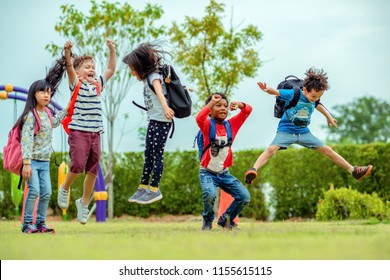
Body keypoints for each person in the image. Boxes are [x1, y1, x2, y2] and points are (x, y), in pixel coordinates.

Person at [245, 67, 373, 185]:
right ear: (305, 89)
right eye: (313, 96)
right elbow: (277, 92)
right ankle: (253, 169)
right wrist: (268, 90)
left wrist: (329, 117)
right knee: (271, 150)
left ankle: (353, 171)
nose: (315, 99)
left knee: (327, 150)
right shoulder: (293, 94)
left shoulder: (314, 99)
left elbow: (318, 106)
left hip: (304, 132)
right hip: (286, 130)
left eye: (319, 96)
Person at [57, 40, 116, 224]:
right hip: (79, 132)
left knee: (92, 170)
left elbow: (111, 70)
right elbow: (68, 66)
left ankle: (83, 203)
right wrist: (67, 53)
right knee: (77, 164)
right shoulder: (76, 84)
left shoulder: (98, 84)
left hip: (95, 134)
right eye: (87, 67)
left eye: (93, 67)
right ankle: (65, 188)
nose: (91, 70)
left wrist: (112, 51)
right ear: (78, 71)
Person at [17, 57, 69, 234]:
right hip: (32, 162)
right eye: (42, 92)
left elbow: (54, 123)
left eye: (49, 92)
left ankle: (40, 223)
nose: (47, 95)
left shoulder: (47, 112)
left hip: (45, 162)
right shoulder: (30, 115)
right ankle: (27, 224)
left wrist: (67, 109)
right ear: (34, 94)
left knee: (46, 192)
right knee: (34, 192)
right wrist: (26, 163)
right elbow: (26, 139)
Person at [122, 42, 175, 205]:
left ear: (141, 66)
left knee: (157, 154)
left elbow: (159, 92)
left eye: (132, 69)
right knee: (148, 154)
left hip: (161, 121)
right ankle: (143, 186)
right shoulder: (147, 79)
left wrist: (166, 108)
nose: (131, 72)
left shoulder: (154, 76)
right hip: (154, 120)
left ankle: (154, 189)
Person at [196, 93, 252, 230]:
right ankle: (207, 222)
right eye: (218, 105)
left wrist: (239, 105)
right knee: (209, 194)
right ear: (210, 110)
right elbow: (199, 118)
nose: (223, 108)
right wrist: (209, 104)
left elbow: (248, 110)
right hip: (207, 173)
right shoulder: (207, 125)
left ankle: (225, 220)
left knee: (244, 196)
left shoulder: (231, 125)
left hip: (224, 174)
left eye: (225, 106)